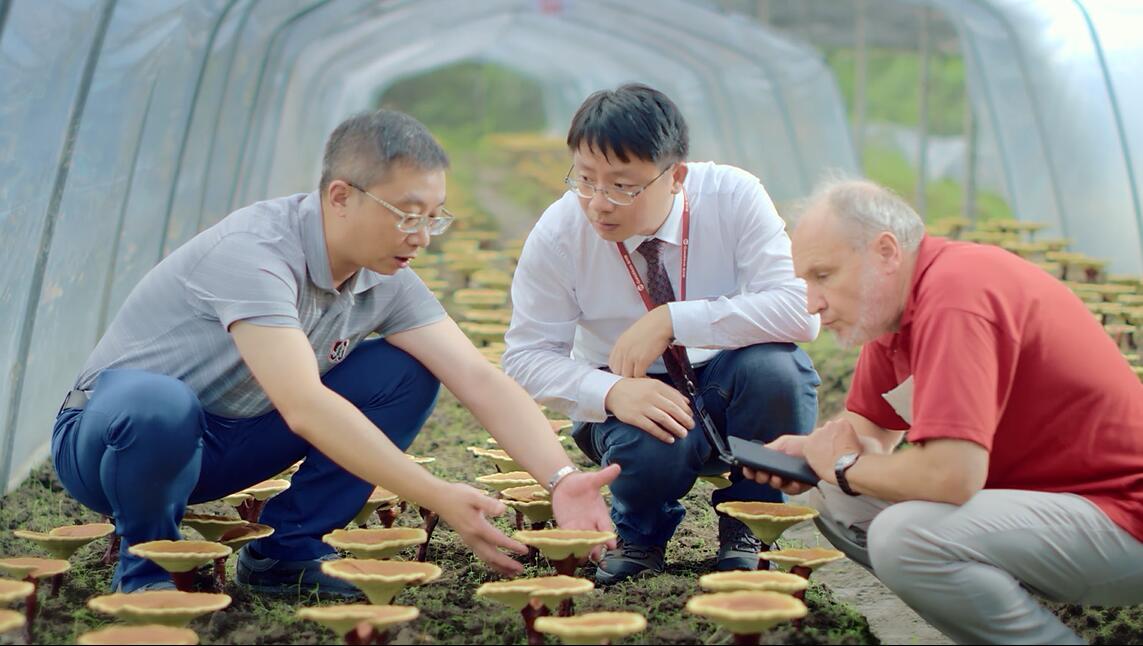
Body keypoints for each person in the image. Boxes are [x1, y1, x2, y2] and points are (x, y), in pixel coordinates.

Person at [50, 109, 618, 595]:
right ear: (340, 196)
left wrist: (561, 478)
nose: (421, 235)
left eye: (434, 217)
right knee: (158, 403)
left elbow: (477, 377)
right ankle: (146, 569)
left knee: (406, 371)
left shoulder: (386, 275)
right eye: (407, 213)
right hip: (112, 443)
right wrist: (437, 495)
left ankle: (287, 550)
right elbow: (302, 405)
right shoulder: (255, 253)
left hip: (226, 442)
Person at [746, 178, 1143, 644]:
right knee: (835, 496)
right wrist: (812, 454)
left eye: (823, 275)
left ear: (886, 252)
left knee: (905, 538)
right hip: (1049, 511)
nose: (812, 303)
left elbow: (953, 477)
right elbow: (864, 434)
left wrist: (841, 463)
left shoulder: (957, 298)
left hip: (1120, 517)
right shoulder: (893, 316)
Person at [502, 83, 821, 585]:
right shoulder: (561, 232)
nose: (598, 203)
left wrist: (674, 319)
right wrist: (609, 390)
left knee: (775, 370)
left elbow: (802, 311)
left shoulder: (734, 197)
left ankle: (749, 526)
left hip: (726, 377)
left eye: (622, 185)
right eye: (584, 179)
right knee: (652, 440)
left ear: (676, 177)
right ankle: (640, 536)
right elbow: (525, 356)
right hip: (626, 392)